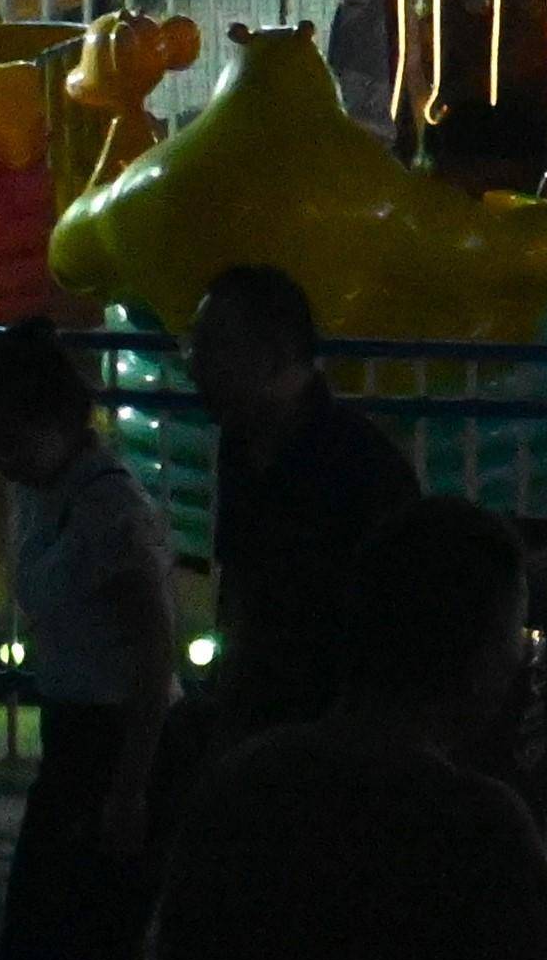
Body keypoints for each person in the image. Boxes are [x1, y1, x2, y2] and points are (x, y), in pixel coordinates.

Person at [143, 494, 547, 960]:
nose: (518, 659)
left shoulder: (240, 787)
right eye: (513, 636)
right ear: (480, 657)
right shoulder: (474, 826)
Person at [0, 317, 179, 960]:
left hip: (117, 740)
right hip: (77, 733)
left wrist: (130, 789)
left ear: (58, 421)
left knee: (79, 932)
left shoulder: (108, 512)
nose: (0, 459)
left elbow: (153, 651)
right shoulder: (46, 490)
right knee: (52, 928)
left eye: (7, 441)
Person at [178, 263, 416, 778]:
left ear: (275, 355)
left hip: (337, 745)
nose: (193, 367)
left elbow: (390, 633)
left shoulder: (362, 468)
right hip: (268, 727)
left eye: (211, 348)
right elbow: (241, 590)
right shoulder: (245, 442)